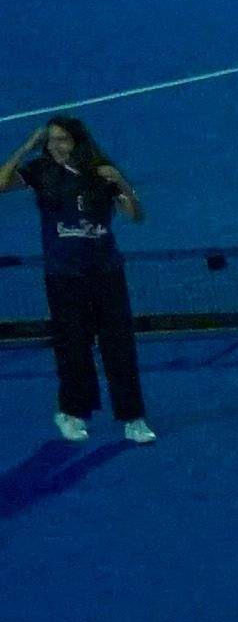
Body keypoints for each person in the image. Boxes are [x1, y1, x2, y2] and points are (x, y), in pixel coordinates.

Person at [20, 114, 153, 441]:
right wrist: (27, 145)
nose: (55, 146)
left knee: (119, 347)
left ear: (77, 141)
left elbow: (135, 215)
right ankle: (71, 412)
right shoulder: (40, 171)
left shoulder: (101, 173)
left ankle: (133, 417)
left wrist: (120, 182)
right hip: (64, 276)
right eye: (50, 140)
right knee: (73, 348)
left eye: (62, 139)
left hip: (106, 273)